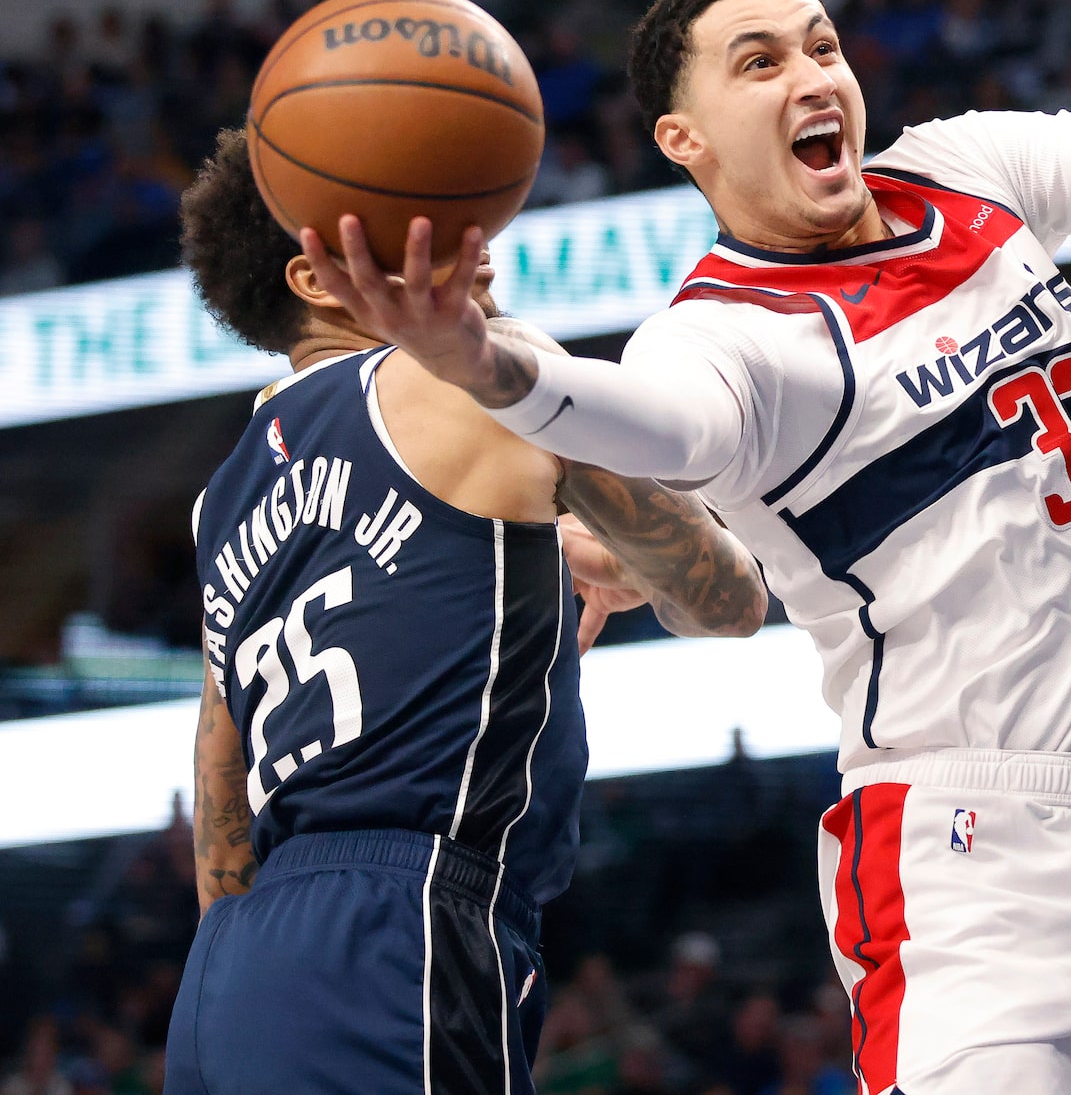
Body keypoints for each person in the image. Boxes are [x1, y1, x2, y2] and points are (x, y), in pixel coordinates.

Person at [299, 0, 1071, 1095]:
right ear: (682, 139)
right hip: (984, 862)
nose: (811, 76)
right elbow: (654, 424)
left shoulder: (958, 168)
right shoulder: (719, 338)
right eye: (760, 64)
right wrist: (488, 365)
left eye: (822, 48)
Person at [166, 128, 764, 1095]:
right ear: (320, 278)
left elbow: (219, 772)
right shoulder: (465, 372)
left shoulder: (218, 502)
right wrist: (637, 566)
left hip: (233, 973)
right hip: (400, 918)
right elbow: (728, 598)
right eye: (424, 225)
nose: (474, 236)